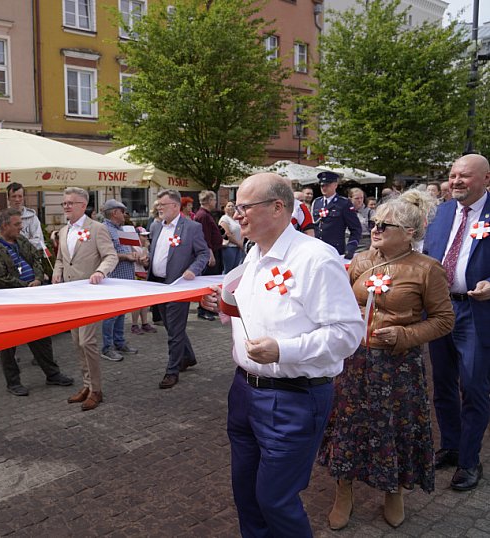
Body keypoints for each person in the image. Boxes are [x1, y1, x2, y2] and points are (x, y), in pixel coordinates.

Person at [200, 173, 363, 538]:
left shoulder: (315, 259)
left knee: (275, 499)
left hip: (292, 397)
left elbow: (348, 333)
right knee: (246, 494)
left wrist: (283, 350)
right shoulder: (254, 254)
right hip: (244, 390)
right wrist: (224, 307)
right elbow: (264, 311)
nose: (236, 214)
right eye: (235, 206)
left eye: (245, 207)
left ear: (277, 208)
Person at [318, 190, 454, 530]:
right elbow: (340, 305)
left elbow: (444, 320)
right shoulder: (360, 261)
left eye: (384, 225)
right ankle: (344, 490)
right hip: (355, 361)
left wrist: (405, 334)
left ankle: (394, 491)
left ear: (409, 233)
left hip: (398, 366)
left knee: (395, 427)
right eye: (374, 222)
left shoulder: (427, 269)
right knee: (348, 426)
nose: (375, 229)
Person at [423, 153, 490, 492]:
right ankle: (450, 446)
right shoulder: (441, 213)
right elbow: (426, 256)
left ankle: (469, 460)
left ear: (486, 179)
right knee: (443, 383)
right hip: (440, 309)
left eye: (464, 175)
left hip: (476, 312)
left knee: (474, 387)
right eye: (452, 175)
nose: (456, 181)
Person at [0, 208, 74, 396]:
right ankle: (13, 382)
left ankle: (52, 374)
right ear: (4, 226)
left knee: (42, 337)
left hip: (32, 299)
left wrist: (38, 278)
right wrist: (26, 286)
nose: (21, 227)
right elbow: (0, 278)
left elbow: (37, 259)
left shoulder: (21, 241)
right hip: (9, 303)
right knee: (8, 345)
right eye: (17, 224)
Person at [52, 187, 118, 411]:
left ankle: (96, 390)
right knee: (76, 342)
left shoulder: (97, 228)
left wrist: (100, 271)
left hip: (90, 294)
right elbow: (61, 259)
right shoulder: (64, 231)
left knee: (86, 342)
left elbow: (111, 255)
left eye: (70, 203)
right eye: (64, 203)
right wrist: (57, 272)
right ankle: (87, 385)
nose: (66, 206)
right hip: (71, 296)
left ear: (83, 205)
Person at [148, 189, 210, 389]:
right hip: (158, 285)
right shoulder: (156, 226)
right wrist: (146, 259)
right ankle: (188, 357)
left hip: (178, 286)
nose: (159, 208)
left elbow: (203, 253)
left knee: (174, 331)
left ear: (175, 206)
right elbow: (158, 253)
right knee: (171, 326)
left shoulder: (191, 227)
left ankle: (172, 371)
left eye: (162, 205)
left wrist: (193, 269)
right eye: (158, 205)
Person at [99, 199, 139, 361]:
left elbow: (129, 249)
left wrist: (137, 256)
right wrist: (126, 256)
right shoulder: (104, 229)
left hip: (125, 278)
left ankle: (119, 342)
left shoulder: (122, 229)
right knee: (111, 315)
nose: (125, 214)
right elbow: (105, 254)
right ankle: (107, 347)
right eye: (123, 211)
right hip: (114, 278)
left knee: (122, 312)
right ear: (115, 213)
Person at [311, 171, 362, 259]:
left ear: (335, 185)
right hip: (318, 249)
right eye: (322, 185)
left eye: (327, 185)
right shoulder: (317, 202)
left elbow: (356, 229)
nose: (324, 188)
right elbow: (313, 226)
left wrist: (350, 248)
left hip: (335, 250)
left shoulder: (343, 203)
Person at [194, 190, 224, 320]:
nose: (215, 202)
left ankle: (210, 308)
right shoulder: (203, 216)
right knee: (207, 281)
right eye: (214, 200)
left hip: (214, 250)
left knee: (212, 281)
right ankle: (204, 309)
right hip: (210, 253)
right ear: (209, 201)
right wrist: (210, 254)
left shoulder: (206, 215)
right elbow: (204, 237)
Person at [129, 227, 156, 335]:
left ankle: (145, 323)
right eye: (143, 236)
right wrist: (145, 249)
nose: (146, 238)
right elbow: (141, 260)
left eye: (146, 236)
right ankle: (134, 324)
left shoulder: (144, 247)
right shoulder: (132, 246)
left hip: (143, 274)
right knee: (136, 301)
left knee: (145, 301)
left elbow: (146, 263)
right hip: (135, 274)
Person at [6, 182, 45, 252]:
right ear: (8, 198)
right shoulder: (1, 218)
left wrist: (16, 244)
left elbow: (39, 242)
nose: (17, 199)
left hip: (30, 257)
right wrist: (29, 241)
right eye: (14, 196)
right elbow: (0, 243)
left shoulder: (32, 217)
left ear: (24, 198)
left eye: (20, 196)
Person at [219, 201, 244, 274]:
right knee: (228, 270)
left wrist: (241, 243)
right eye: (229, 206)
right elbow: (228, 234)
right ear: (225, 208)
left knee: (235, 271)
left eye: (232, 206)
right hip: (229, 247)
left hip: (238, 248)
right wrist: (239, 244)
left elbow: (242, 230)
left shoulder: (236, 219)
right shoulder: (224, 219)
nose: (231, 207)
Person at [349, 187, 375, 252]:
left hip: (364, 243)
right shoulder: (345, 211)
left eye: (361, 198)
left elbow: (374, 230)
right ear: (350, 199)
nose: (360, 200)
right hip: (348, 242)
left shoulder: (370, 212)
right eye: (357, 198)